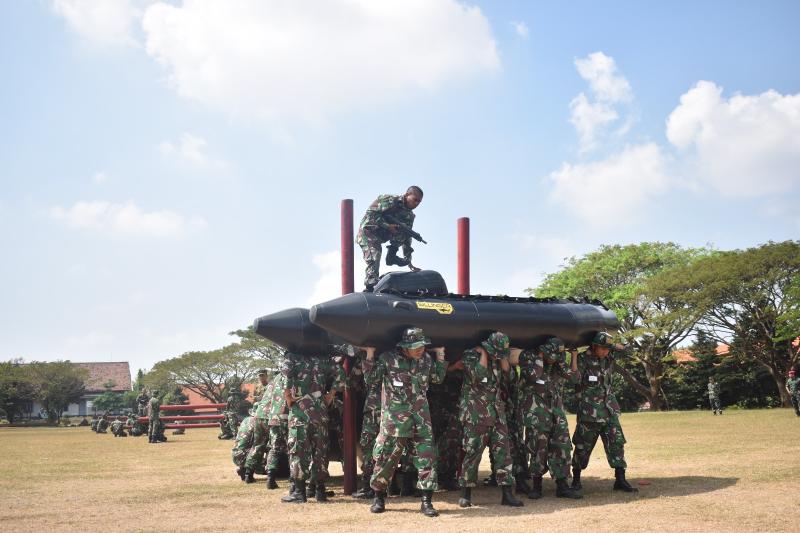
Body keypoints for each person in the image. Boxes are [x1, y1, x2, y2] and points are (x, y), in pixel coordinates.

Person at [362, 327, 446, 518]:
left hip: (421, 417)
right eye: (415, 346)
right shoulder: (388, 358)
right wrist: (369, 356)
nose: (420, 350)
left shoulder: (426, 360)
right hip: (395, 418)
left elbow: (438, 379)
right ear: (405, 346)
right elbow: (371, 380)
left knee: (427, 458)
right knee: (386, 458)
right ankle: (379, 497)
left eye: (422, 346)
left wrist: (440, 357)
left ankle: (427, 501)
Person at [457, 332, 523, 508]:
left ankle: (507, 494)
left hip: (497, 414)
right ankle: (466, 494)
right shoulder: (471, 355)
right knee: (472, 453)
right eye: (496, 351)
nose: (498, 354)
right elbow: (477, 376)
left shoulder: (499, 358)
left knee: (504, 454)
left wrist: (502, 359)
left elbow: (510, 379)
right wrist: (485, 354)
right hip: (476, 414)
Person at [571, 332, 636, 493]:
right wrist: (573, 356)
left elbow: (627, 351)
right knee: (582, 446)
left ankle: (620, 479)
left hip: (609, 409)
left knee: (617, 443)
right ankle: (576, 480)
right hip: (590, 412)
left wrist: (611, 344)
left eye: (608, 349)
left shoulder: (608, 357)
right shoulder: (582, 359)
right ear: (594, 346)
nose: (606, 352)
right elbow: (574, 379)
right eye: (603, 348)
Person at [517, 338, 581, 499]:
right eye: (551, 355)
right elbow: (533, 376)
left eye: (556, 355)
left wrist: (572, 357)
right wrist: (540, 356)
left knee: (562, 447)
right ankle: (536, 486)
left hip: (556, 411)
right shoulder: (528, 357)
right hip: (536, 413)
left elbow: (574, 378)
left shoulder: (557, 361)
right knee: (538, 448)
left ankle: (562, 485)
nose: (553, 358)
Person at [280, 351, 346, 503]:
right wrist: (331, 394)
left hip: (300, 412)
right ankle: (320, 491)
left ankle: (299, 492)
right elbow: (341, 374)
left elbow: (286, 375)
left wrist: (288, 396)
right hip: (320, 411)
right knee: (320, 452)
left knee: (298, 451)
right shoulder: (323, 359)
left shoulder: (293, 357)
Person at [356, 186, 423, 292]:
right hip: (368, 232)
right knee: (375, 255)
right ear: (406, 195)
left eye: (419, 202)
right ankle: (370, 287)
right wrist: (388, 226)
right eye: (415, 200)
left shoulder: (409, 216)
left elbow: (407, 237)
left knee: (404, 231)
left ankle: (391, 256)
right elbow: (370, 213)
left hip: (383, 234)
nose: (417, 204)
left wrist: (408, 259)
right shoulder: (389, 200)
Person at [244, 370, 273, 483]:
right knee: (273, 447)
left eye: (263, 375)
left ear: (267, 376)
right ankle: (271, 477)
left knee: (257, 446)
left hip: (259, 415)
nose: (261, 378)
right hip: (270, 417)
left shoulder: (269, 385)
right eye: (259, 376)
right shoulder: (275, 385)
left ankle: (248, 473)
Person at [266, 363, 290, 491]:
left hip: (274, 417)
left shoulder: (275, 379)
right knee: (292, 448)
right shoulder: (291, 377)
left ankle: (270, 478)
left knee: (274, 448)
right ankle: (294, 479)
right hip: (287, 417)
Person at [232, 410, 257, 481]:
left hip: (236, 455)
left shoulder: (246, 420)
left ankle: (242, 468)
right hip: (247, 455)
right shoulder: (258, 422)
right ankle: (248, 474)